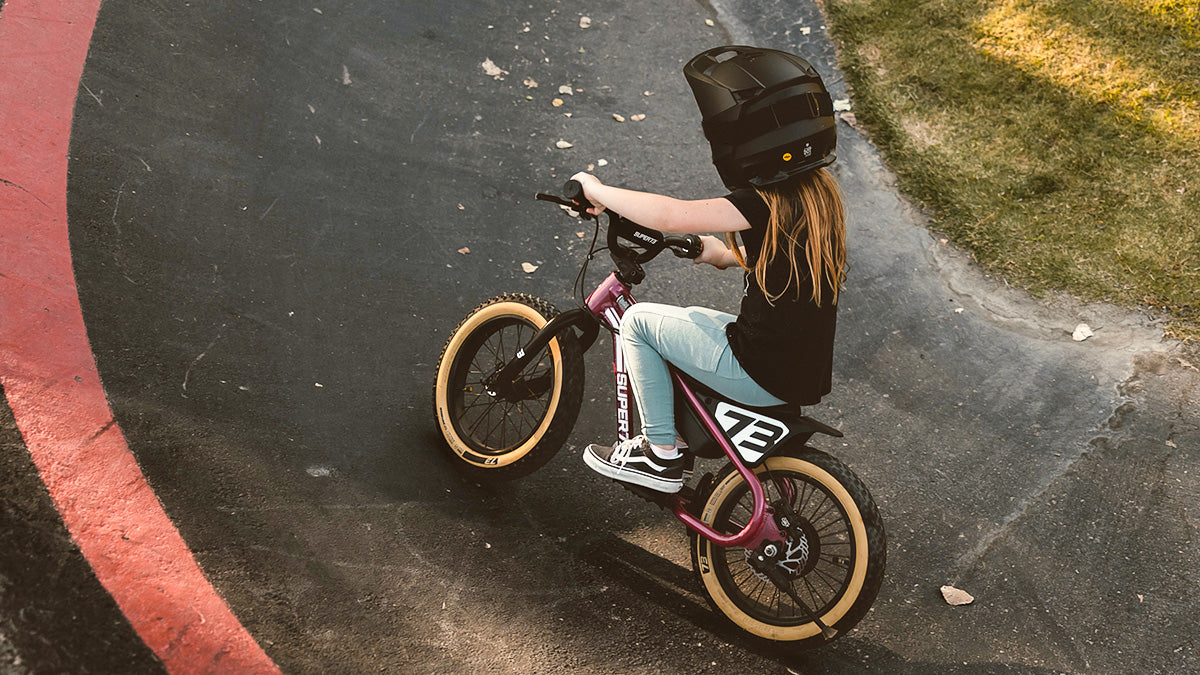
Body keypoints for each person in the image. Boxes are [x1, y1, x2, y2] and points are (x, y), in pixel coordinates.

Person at [573, 45, 847, 494]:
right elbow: (777, 261)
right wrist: (714, 252)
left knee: (639, 322)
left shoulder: (762, 201)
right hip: (797, 374)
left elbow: (669, 216)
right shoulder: (819, 200)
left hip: (759, 369)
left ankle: (660, 454)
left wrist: (598, 189)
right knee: (696, 319)